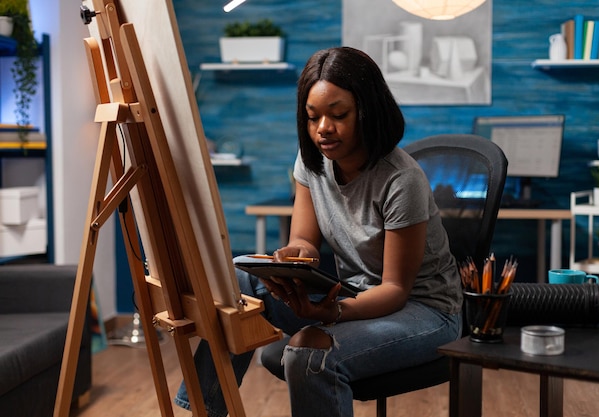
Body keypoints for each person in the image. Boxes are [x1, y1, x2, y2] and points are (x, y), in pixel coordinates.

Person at [174, 46, 463, 417]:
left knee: (310, 354)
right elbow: (305, 241)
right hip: (355, 294)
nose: (322, 129)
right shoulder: (313, 159)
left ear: (367, 111)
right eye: (312, 118)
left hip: (423, 312)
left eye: (338, 115)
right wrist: (295, 257)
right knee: (237, 282)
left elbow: (394, 291)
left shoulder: (401, 180)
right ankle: (204, 410)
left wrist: (332, 313)